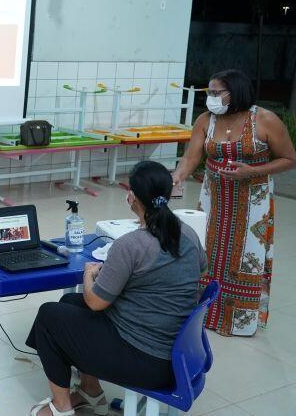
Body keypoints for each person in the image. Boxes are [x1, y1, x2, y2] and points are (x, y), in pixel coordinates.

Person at [26, 161, 206, 416]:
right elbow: (201, 270)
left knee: (48, 315)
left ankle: (61, 407)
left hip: (147, 360)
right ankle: (90, 391)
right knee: (68, 304)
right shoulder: (187, 232)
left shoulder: (131, 245)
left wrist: (90, 274)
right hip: (176, 351)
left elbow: (95, 302)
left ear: (133, 196)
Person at [172, 69, 296, 336]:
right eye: (210, 93)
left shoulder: (264, 119)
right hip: (213, 197)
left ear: (236, 92)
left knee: (247, 255)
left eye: (217, 93)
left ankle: (240, 321)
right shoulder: (206, 119)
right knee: (206, 251)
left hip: (254, 202)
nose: (211, 98)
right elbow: (192, 157)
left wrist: (251, 171)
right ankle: (203, 316)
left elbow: (289, 158)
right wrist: (178, 176)